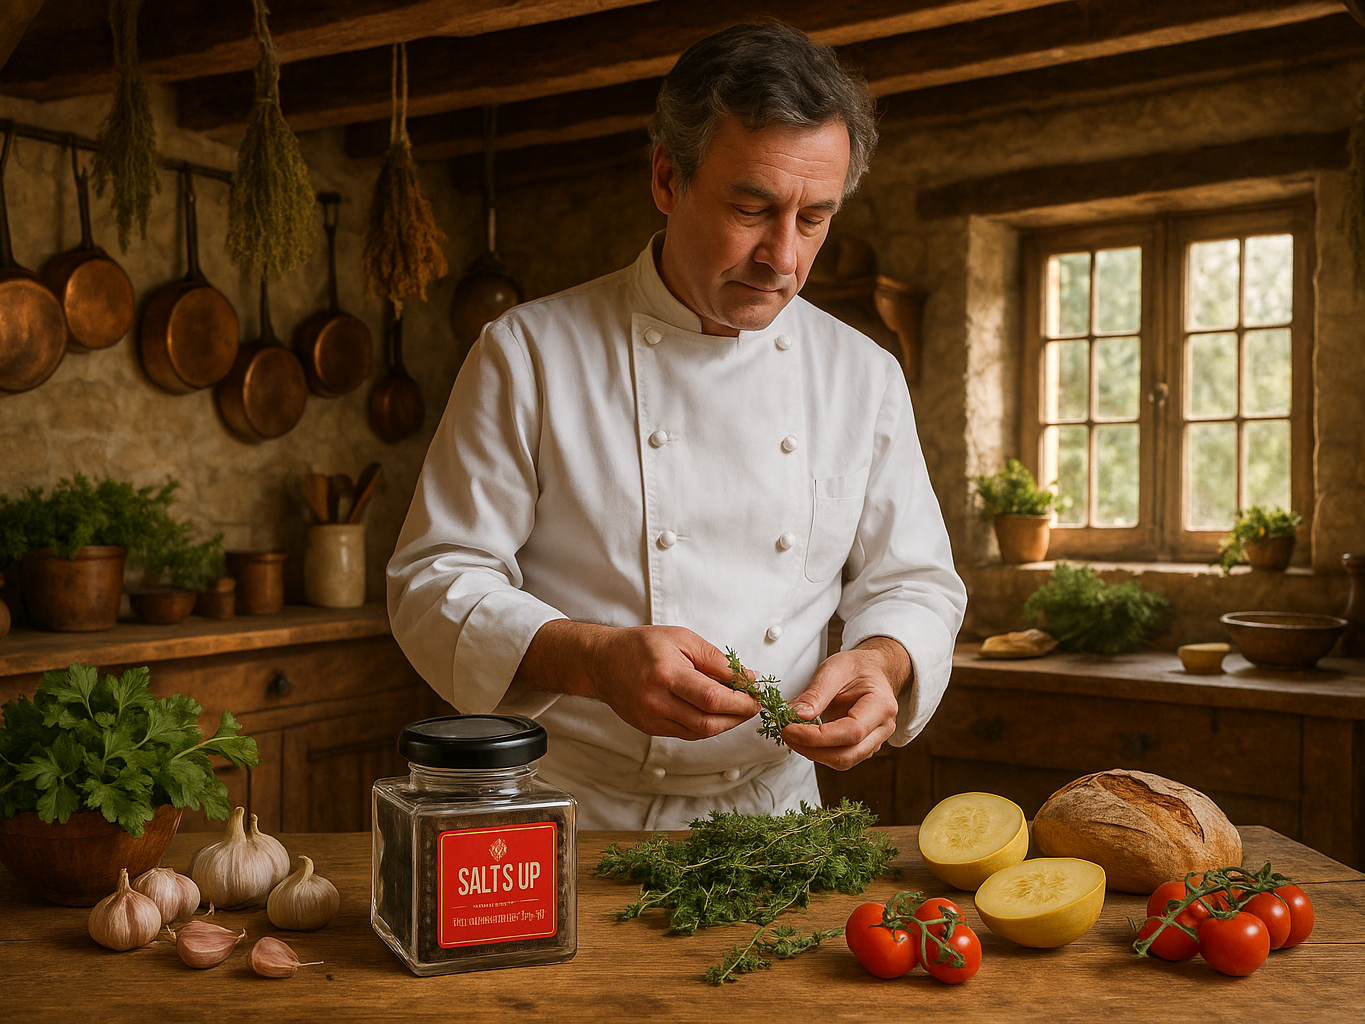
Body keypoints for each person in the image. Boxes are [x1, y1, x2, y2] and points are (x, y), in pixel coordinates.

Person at [387, 22, 966, 830]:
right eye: (752, 207)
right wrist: (590, 658)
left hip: (775, 820)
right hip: (570, 813)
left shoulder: (861, 374)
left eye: (813, 218)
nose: (783, 258)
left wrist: (883, 659)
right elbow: (435, 580)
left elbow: (912, 581)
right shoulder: (529, 352)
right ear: (666, 176)